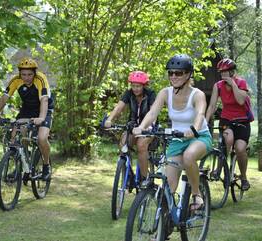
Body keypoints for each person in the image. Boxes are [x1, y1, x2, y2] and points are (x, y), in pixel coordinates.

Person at [133, 54, 212, 211]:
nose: (174, 76)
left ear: (189, 74)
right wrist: (141, 127)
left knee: (189, 156)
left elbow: (200, 113)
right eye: (171, 73)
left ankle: (197, 194)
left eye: (179, 73)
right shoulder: (165, 92)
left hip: (199, 137)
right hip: (177, 139)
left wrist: (193, 129)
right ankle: (165, 224)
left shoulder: (197, 94)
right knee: (168, 189)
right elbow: (152, 113)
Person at [0, 57, 54, 180]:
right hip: (27, 109)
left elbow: (44, 100)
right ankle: (22, 162)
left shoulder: (40, 79)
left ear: (34, 73)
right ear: (20, 73)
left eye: (30, 74)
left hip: (44, 108)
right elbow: (4, 98)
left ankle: (46, 166)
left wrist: (41, 118)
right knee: (16, 135)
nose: (26, 77)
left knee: (41, 138)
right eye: (23, 74)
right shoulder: (16, 80)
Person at [205, 58, 252, 191]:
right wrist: (205, 120)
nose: (223, 75)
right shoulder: (218, 86)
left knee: (240, 149)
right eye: (221, 72)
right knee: (228, 138)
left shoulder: (241, 82)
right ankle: (221, 167)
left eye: (226, 72)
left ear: (232, 72)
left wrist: (233, 85)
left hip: (242, 121)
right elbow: (213, 105)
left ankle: (243, 177)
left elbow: (241, 101)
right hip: (226, 119)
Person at [103, 71, 156, 180]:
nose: (135, 88)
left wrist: (150, 126)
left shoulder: (150, 94)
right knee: (123, 145)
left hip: (148, 127)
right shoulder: (129, 94)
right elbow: (118, 108)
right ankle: (126, 174)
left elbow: (153, 112)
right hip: (133, 126)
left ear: (144, 86)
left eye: (138, 86)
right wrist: (109, 120)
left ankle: (144, 179)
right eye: (133, 86)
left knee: (141, 146)